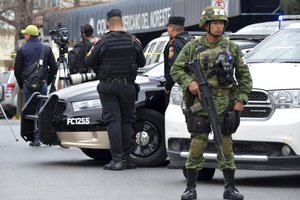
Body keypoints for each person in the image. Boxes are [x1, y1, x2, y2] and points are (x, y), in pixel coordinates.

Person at [171, 6, 252, 200]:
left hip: (224, 104)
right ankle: (190, 188)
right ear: (206, 25)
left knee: (225, 144)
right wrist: (189, 82)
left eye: (221, 23)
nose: (218, 26)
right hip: (200, 103)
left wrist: (241, 99)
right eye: (215, 23)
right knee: (197, 144)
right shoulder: (193, 47)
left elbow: (244, 76)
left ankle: (230, 188)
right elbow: (176, 69)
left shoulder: (231, 47)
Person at [85, 9, 146, 170]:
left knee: (113, 121)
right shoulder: (133, 41)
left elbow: (88, 61)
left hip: (109, 86)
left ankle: (117, 160)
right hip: (128, 86)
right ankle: (126, 160)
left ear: (107, 24)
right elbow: (142, 62)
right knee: (127, 121)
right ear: (122, 23)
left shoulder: (102, 42)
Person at [14, 24, 57, 146]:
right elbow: (54, 67)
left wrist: (21, 84)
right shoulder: (46, 49)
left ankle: (33, 138)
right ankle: (43, 136)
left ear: (28, 35)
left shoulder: (22, 50)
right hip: (42, 83)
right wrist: (47, 81)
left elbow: (17, 70)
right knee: (42, 109)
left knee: (30, 109)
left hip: (28, 84)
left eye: (25, 34)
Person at [163, 16, 194, 107]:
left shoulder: (174, 43)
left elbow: (172, 67)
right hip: (193, 84)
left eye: (168, 28)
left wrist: (168, 87)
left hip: (177, 88)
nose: (168, 31)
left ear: (171, 27)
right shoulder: (192, 39)